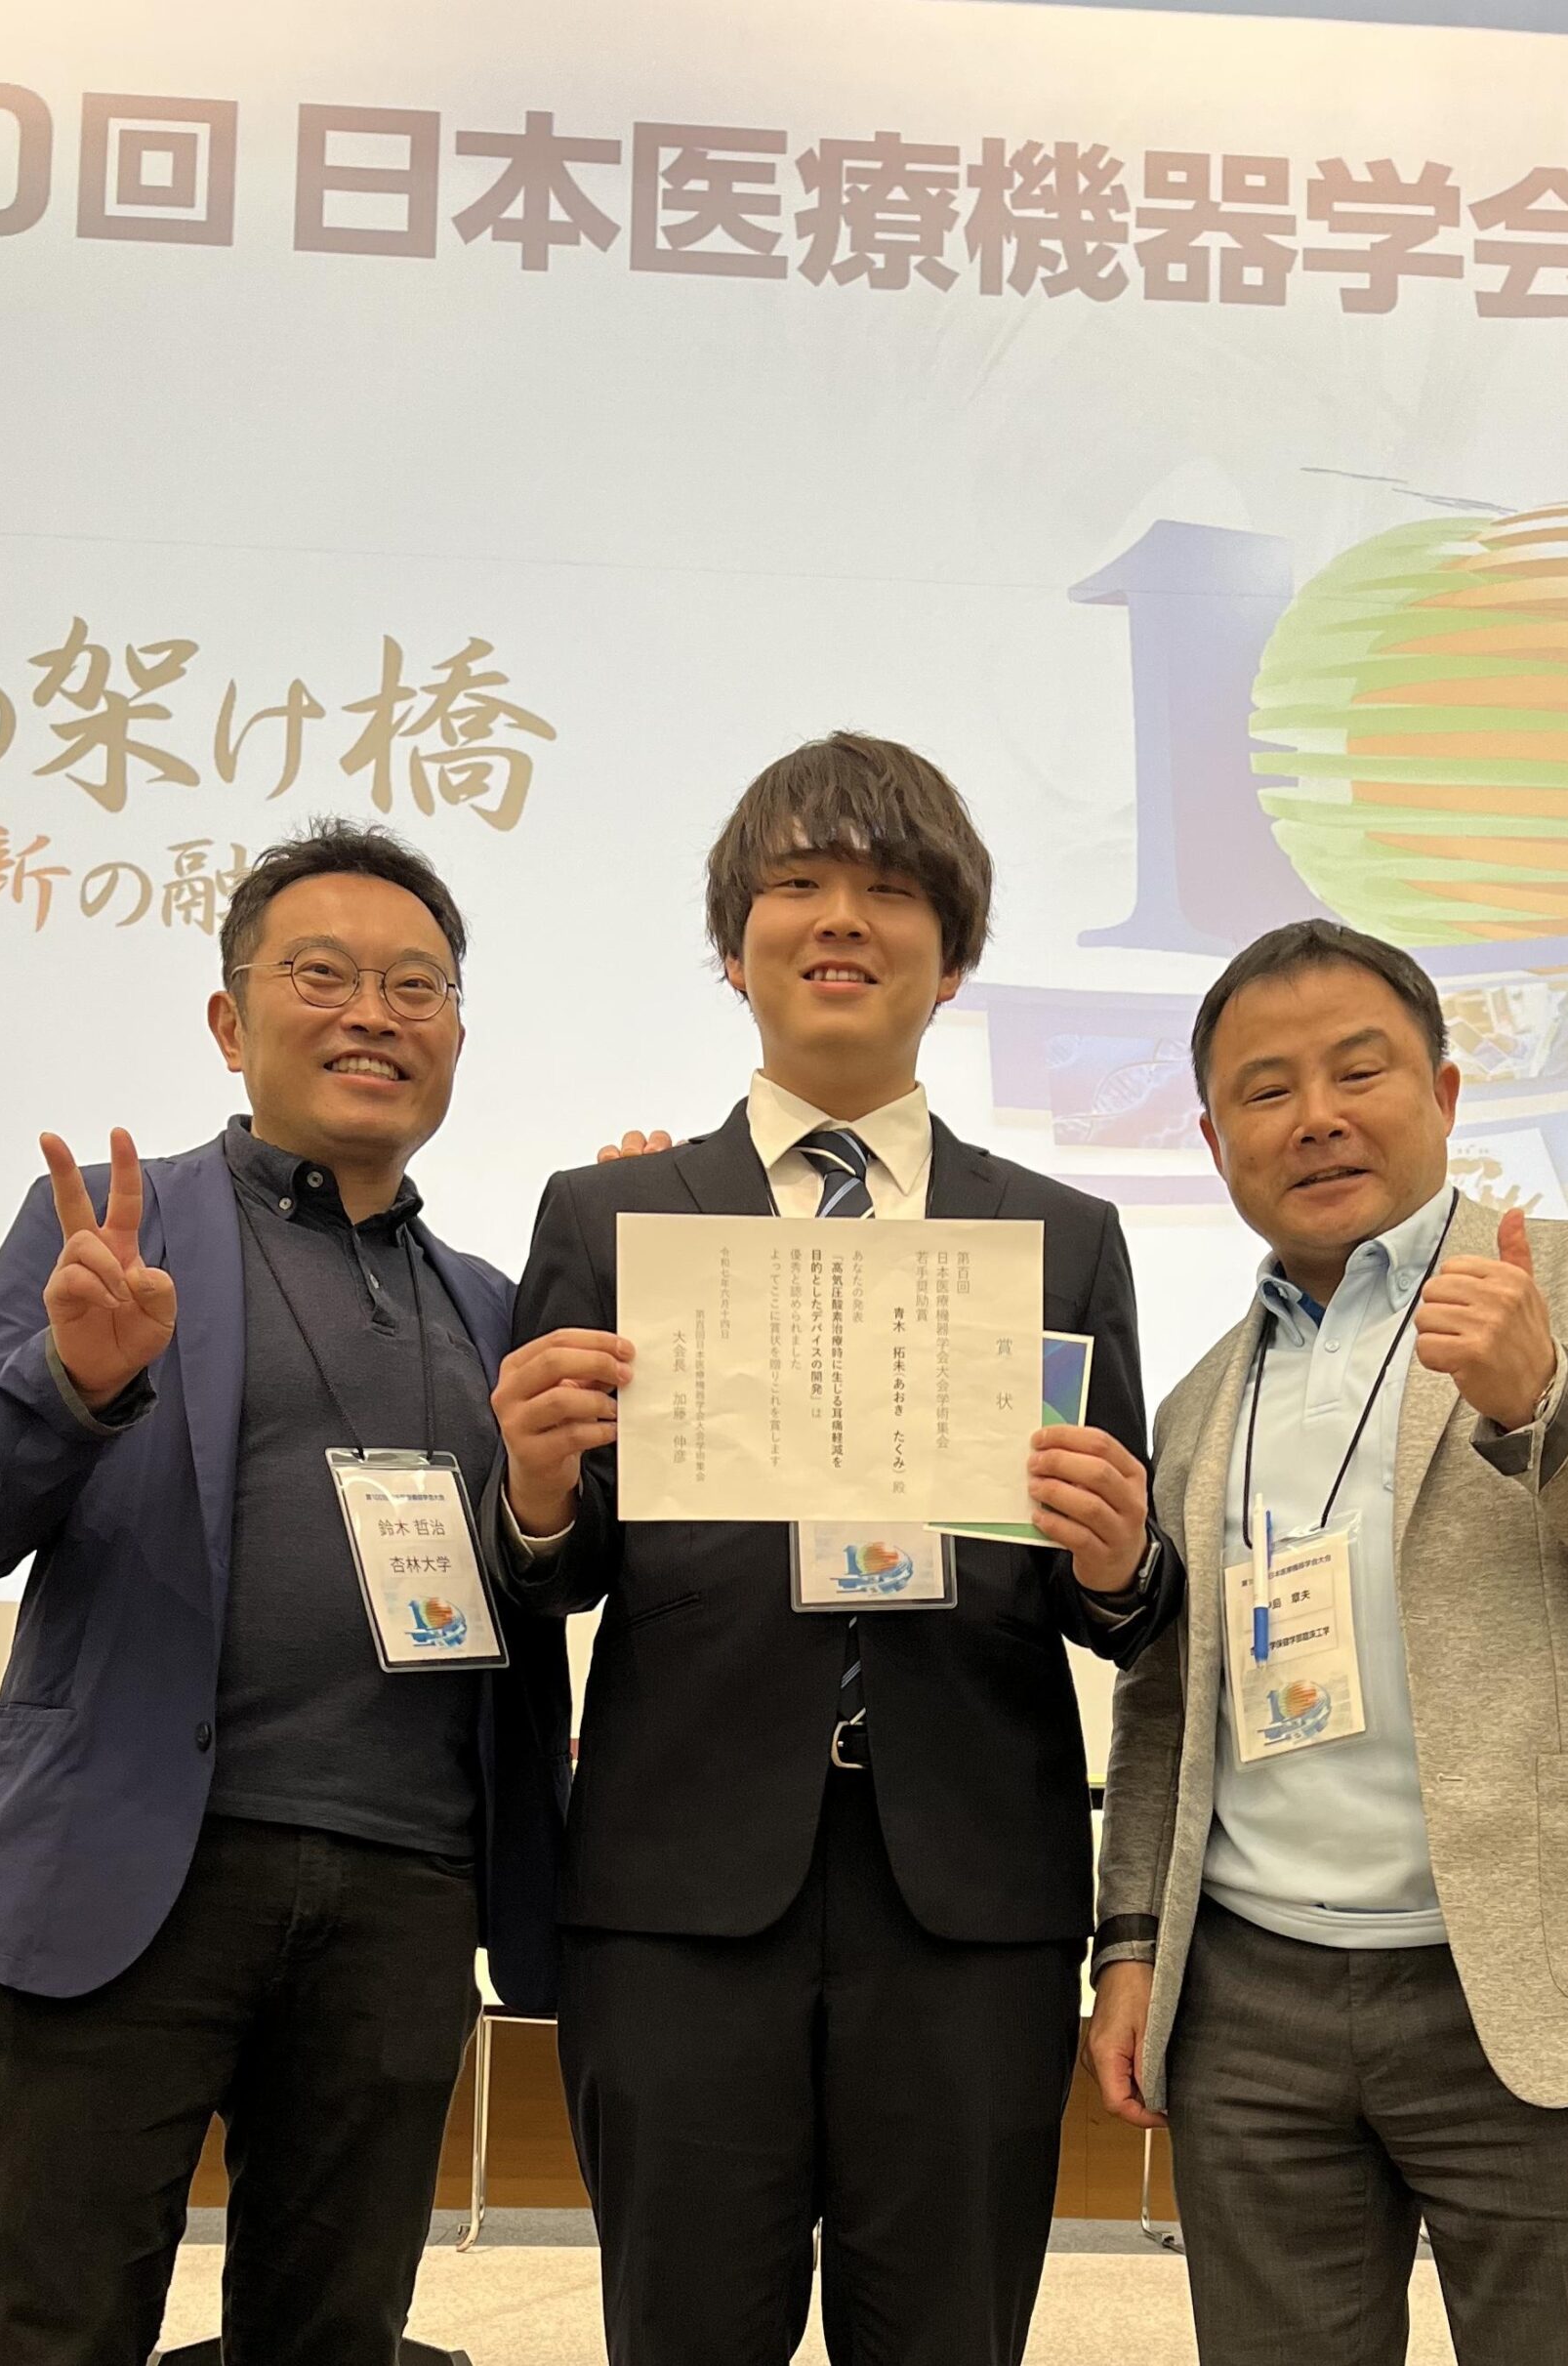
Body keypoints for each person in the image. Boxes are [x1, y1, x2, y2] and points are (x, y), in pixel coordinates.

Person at [487, 732, 1176, 2366]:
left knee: (947, 2337)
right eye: (797, 884)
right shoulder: (610, 1219)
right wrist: (530, 1491)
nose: (841, 918)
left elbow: (1110, 1604)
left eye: (889, 889)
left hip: (970, 1898)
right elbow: (555, 1573)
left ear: (955, 957)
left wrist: (1118, 1561)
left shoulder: (1062, 1237)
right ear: (736, 951)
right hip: (676, 1890)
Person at [0, 820, 570, 2366]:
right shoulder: (111, 1235)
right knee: (53, 2324)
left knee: (334, 2336)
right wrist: (72, 1385)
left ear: (456, 1034)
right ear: (229, 1018)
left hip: (404, 1893)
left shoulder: (490, 1305)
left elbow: (540, 1578)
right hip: (134, 1871)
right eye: (321, 976)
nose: (373, 1015)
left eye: (416, 987)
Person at [1088, 919, 1568, 2366]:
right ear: (1214, 1142)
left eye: (1359, 1071)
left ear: (1445, 1095)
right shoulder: (1203, 1402)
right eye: (1266, 1090)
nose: (1316, 1117)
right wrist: (1132, 1946)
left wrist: (1550, 1405)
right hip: (1251, 2010)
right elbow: (1166, 1705)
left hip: (1536, 1978)